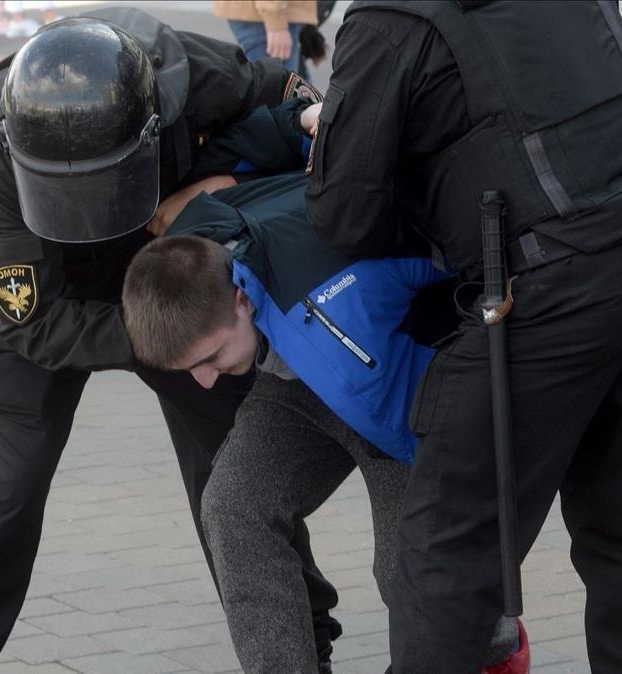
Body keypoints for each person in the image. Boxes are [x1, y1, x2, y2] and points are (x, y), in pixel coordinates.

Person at [0, 11, 339, 673]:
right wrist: (167, 334)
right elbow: (32, 323)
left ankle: (301, 640)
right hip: (50, 290)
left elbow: (296, 106)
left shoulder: (191, 73)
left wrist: (236, 183)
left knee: (233, 465)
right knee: (13, 479)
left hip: (161, 253)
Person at [304, 1, 622, 672]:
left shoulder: (388, 19)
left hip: (552, 285)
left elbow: (348, 216)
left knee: (445, 551)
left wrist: (331, 135)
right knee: (614, 523)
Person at [122, 169, 528, 674]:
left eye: (213, 357)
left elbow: (473, 258)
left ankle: (496, 651)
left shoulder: (344, 278)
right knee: (232, 506)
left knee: (407, 570)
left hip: (404, 403)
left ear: (241, 298)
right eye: (191, 370)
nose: (207, 381)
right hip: (300, 391)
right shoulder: (199, 258)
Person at [215, 1, 318, 77]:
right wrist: (276, 22)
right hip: (266, 18)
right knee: (280, 96)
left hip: (274, 14)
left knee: (300, 93)